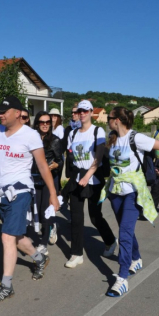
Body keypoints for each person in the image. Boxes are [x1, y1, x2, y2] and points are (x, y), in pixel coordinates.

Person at [0, 96, 59, 304]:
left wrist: (52, 193)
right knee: (17, 237)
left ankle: (6, 286)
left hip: (21, 192)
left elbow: (41, 165)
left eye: (4, 111)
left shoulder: (30, 135)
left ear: (17, 112)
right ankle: (40, 259)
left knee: (6, 237)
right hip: (2, 192)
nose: (0, 115)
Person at [100, 107, 159, 297]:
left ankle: (122, 278)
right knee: (126, 228)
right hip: (115, 192)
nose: (107, 120)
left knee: (124, 232)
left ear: (118, 120)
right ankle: (136, 258)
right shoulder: (113, 138)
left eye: (109, 117)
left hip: (132, 193)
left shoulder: (135, 138)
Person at [63, 100, 117, 268]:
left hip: (93, 179)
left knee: (95, 216)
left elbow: (99, 156)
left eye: (85, 111)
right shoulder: (72, 134)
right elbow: (70, 157)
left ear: (91, 112)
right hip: (77, 178)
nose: (82, 113)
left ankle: (110, 240)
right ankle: (76, 254)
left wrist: (87, 176)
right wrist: (71, 177)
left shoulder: (97, 131)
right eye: (80, 111)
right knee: (76, 217)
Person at [31, 111, 63, 254]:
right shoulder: (32, 138)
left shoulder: (55, 140)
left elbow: (60, 160)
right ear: (37, 123)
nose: (45, 125)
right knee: (34, 210)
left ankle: (43, 243)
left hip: (49, 179)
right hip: (34, 178)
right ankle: (52, 225)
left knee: (45, 211)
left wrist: (55, 165)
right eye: (42, 122)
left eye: (48, 122)